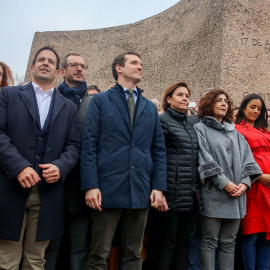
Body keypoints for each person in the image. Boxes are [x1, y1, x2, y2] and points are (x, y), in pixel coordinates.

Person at [81, 51, 167, 269]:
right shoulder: (99, 101)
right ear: (119, 68)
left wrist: (158, 186)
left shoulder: (149, 107)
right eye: (134, 62)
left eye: (141, 64)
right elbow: (89, 144)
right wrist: (91, 185)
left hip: (140, 188)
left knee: (134, 254)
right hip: (107, 188)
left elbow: (158, 149)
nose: (140, 67)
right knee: (99, 254)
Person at [0, 46, 81, 270]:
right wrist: (18, 167)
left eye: (51, 61)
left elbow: (74, 145)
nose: (46, 63)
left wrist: (61, 167)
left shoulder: (69, 107)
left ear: (58, 72)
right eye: (41, 60)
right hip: (10, 187)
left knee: (36, 261)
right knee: (6, 260)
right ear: (33, 66)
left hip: (48, 192)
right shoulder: (8, 95)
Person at [194, 89, 262, 270]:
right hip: (213, 195)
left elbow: (250, 162)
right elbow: (204, 158)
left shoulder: (236, 134)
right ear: (209, 104)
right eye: (218, 100)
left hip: (237, 196)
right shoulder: (200, 129)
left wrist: (245, 184)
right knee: (209, 240)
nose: (224, 104)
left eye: (226, 101)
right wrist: (224, 183)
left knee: (229, 242)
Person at [45, 53, 91, 270]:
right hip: (53, 181)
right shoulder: (49, 98)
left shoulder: (95, 102)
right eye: (74, 65)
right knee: (50, 246)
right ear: (62, 71)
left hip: (83, 184)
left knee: (79, 247)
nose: (80, 69)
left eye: (83, 66)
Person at [153, 81, 203, 270]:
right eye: (180, 95)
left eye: (187, 96)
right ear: (168, 99)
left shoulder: (192, 124)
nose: (184, 98)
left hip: (190, 195)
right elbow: (157, 156)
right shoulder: (162, 120)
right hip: (170, 193)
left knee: (184, 242)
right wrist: (160, 190)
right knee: (167, 243)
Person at [235, 94, 270, 270]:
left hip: (269, 189)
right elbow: (239, 158)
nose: (256, 111)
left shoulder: (265, 131)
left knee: (267, 234)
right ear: (243, 108)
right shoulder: (236, 130)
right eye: (252, 107)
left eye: (259, 108)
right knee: (252, 232)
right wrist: (258, 175)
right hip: (253, 185)